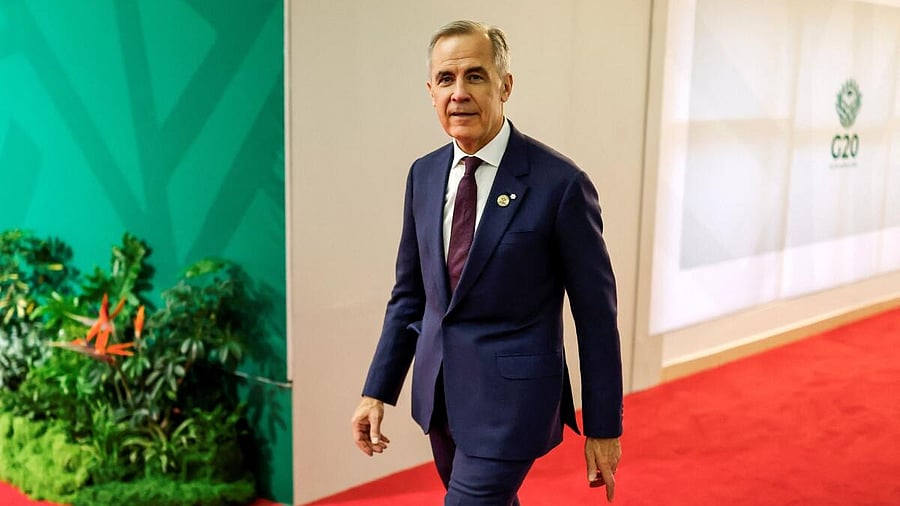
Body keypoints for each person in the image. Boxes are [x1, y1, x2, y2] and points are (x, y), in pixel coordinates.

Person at [351, 20, 623, 505]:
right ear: (431, 91)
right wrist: (377, 390)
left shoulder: (560, 184)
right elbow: (410, 296)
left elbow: (596, 317)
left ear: (505, 85)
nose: (459, 93)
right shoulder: (425, 174)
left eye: (475, 76)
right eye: (446, 80)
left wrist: (603, 425)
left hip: (512, 406)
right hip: (440, 398)